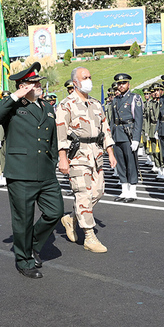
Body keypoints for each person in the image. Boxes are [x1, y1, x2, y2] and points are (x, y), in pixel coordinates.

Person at [0, 62, 64, 279]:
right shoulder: (12, 106)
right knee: (23, 219)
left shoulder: (48, 107)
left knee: (55, 212)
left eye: (38, 82)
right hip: (21, 173)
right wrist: (15, 96)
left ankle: (31, 243)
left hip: (46, 172)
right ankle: (24, 260)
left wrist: (56, 160)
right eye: (34, 83)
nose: (39, 85)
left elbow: (51, 139)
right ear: (23, 86)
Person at [57, 67, 117, 252]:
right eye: (85, 78)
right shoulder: (66, 104)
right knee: (83, 193)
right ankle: (89, 237)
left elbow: (105, 129)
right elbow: (60, 135)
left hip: (96, 153)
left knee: (98, 191)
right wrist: (63, 159)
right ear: (75, 82)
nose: (88, 80)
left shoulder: (96, 104)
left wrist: (110, 152)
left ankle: (72, 218)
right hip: (77, 154)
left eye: (90, 77)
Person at [109, 73, 143, 202]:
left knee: (131, 163)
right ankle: (124, 190)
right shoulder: (115, 100)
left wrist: (136, 139)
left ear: (129, 84)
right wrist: (111, 136)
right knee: (121, 163)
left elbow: (138, 120)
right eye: (119, 83)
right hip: (118, 134)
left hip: (129, 134)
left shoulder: (135, 98)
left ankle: (132, 191)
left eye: (123, 83)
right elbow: (113, 120)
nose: (121, 85)